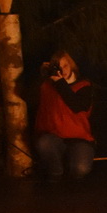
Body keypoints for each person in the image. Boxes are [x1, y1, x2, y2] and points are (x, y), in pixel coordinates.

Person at [33, 50, 94, 179]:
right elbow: (28, 97)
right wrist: (42, 75)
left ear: (71, 65)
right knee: (44, 143)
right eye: (58, 67)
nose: (62, 70)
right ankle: (56, 173)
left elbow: (77, 106)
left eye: (65, 65)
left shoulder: (83, 85)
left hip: (79, 138)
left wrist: (60, 83)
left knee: (80, 169)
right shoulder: (47, 86)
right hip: (54, 136)